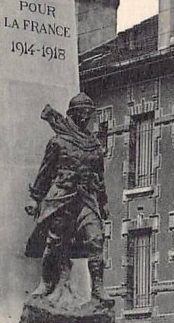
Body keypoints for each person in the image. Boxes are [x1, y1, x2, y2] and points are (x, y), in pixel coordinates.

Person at [25, 92, 110, 301]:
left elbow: (99, 177)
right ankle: (45, 283)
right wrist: (35, 198)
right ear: (72, 114)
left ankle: (98, 289)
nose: (86, 117)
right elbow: (45, 173)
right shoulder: (58, 142)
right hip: (62, 197)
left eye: (89, 113)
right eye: (82, 113)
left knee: (96, 240)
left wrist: (103, 202)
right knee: (54, 243)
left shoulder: (95, 146)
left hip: (86, 199)